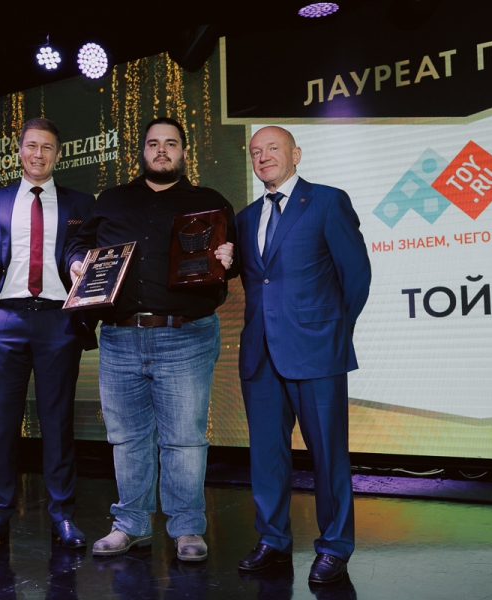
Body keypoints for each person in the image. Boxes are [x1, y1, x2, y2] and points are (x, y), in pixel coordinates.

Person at [66, 117, 236, 562]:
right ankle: (131, 525)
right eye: (154, 143)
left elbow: (230, 260)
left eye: (171, 143)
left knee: (184, 439)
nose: (162, 150)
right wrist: (76, 264)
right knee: (127, 439)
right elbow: (78, 245)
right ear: (142, 151)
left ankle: (186, 527)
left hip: (186, 336)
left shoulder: (210, 202)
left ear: (184, 152)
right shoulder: (111, 200)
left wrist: (229, 258)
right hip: (120, 336)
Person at [234, 126, 371, 583]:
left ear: (296, 154)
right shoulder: (245, 218)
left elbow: (356, 276)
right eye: (255, 151)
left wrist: (331, 333)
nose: (263, 156)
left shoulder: (328, 202)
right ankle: (273, 539)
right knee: (266, 457)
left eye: (273, 148)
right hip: (259, 355)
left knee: (328, 456)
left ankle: (334, 546)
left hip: (316, 351)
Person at [0, 117, 96, 554]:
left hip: (58, 322)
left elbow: (88, 256)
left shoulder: (80, 203)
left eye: (47, 147)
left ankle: (62, 516)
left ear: (58, 154)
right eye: (32, 146)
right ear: (19, 151)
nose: (39, 154)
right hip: (5, 321)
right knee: (1, 426)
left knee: (58, 425)